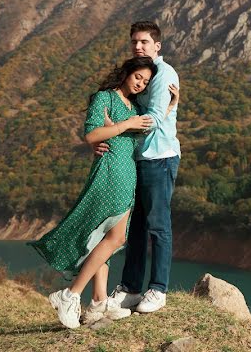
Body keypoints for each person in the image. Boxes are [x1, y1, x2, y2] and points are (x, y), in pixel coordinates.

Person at [29, 55, 178, 328]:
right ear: (125, 73)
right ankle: (70, 294)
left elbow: (145, 128)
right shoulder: (104, 99)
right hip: (110, 172)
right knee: (116, 237)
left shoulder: (132, 107)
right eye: (137, 77)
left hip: (127, 173)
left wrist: (171, 106)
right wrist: (121, 127)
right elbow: (90, 135)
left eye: (145, 82)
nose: (140, 84)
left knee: (106, 237)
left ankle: (98, 301)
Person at [102, 21, 181, 314]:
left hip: (159, 158)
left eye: (144, 42)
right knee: (135, 228)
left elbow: (153, 120)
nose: (138, 46)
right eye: (135, 42)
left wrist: (115, 130)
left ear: (157, 46)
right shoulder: (139, 74)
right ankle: (131, 288)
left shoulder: (164, 75)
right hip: (137, 159)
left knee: (158, 226)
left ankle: (158, 289)